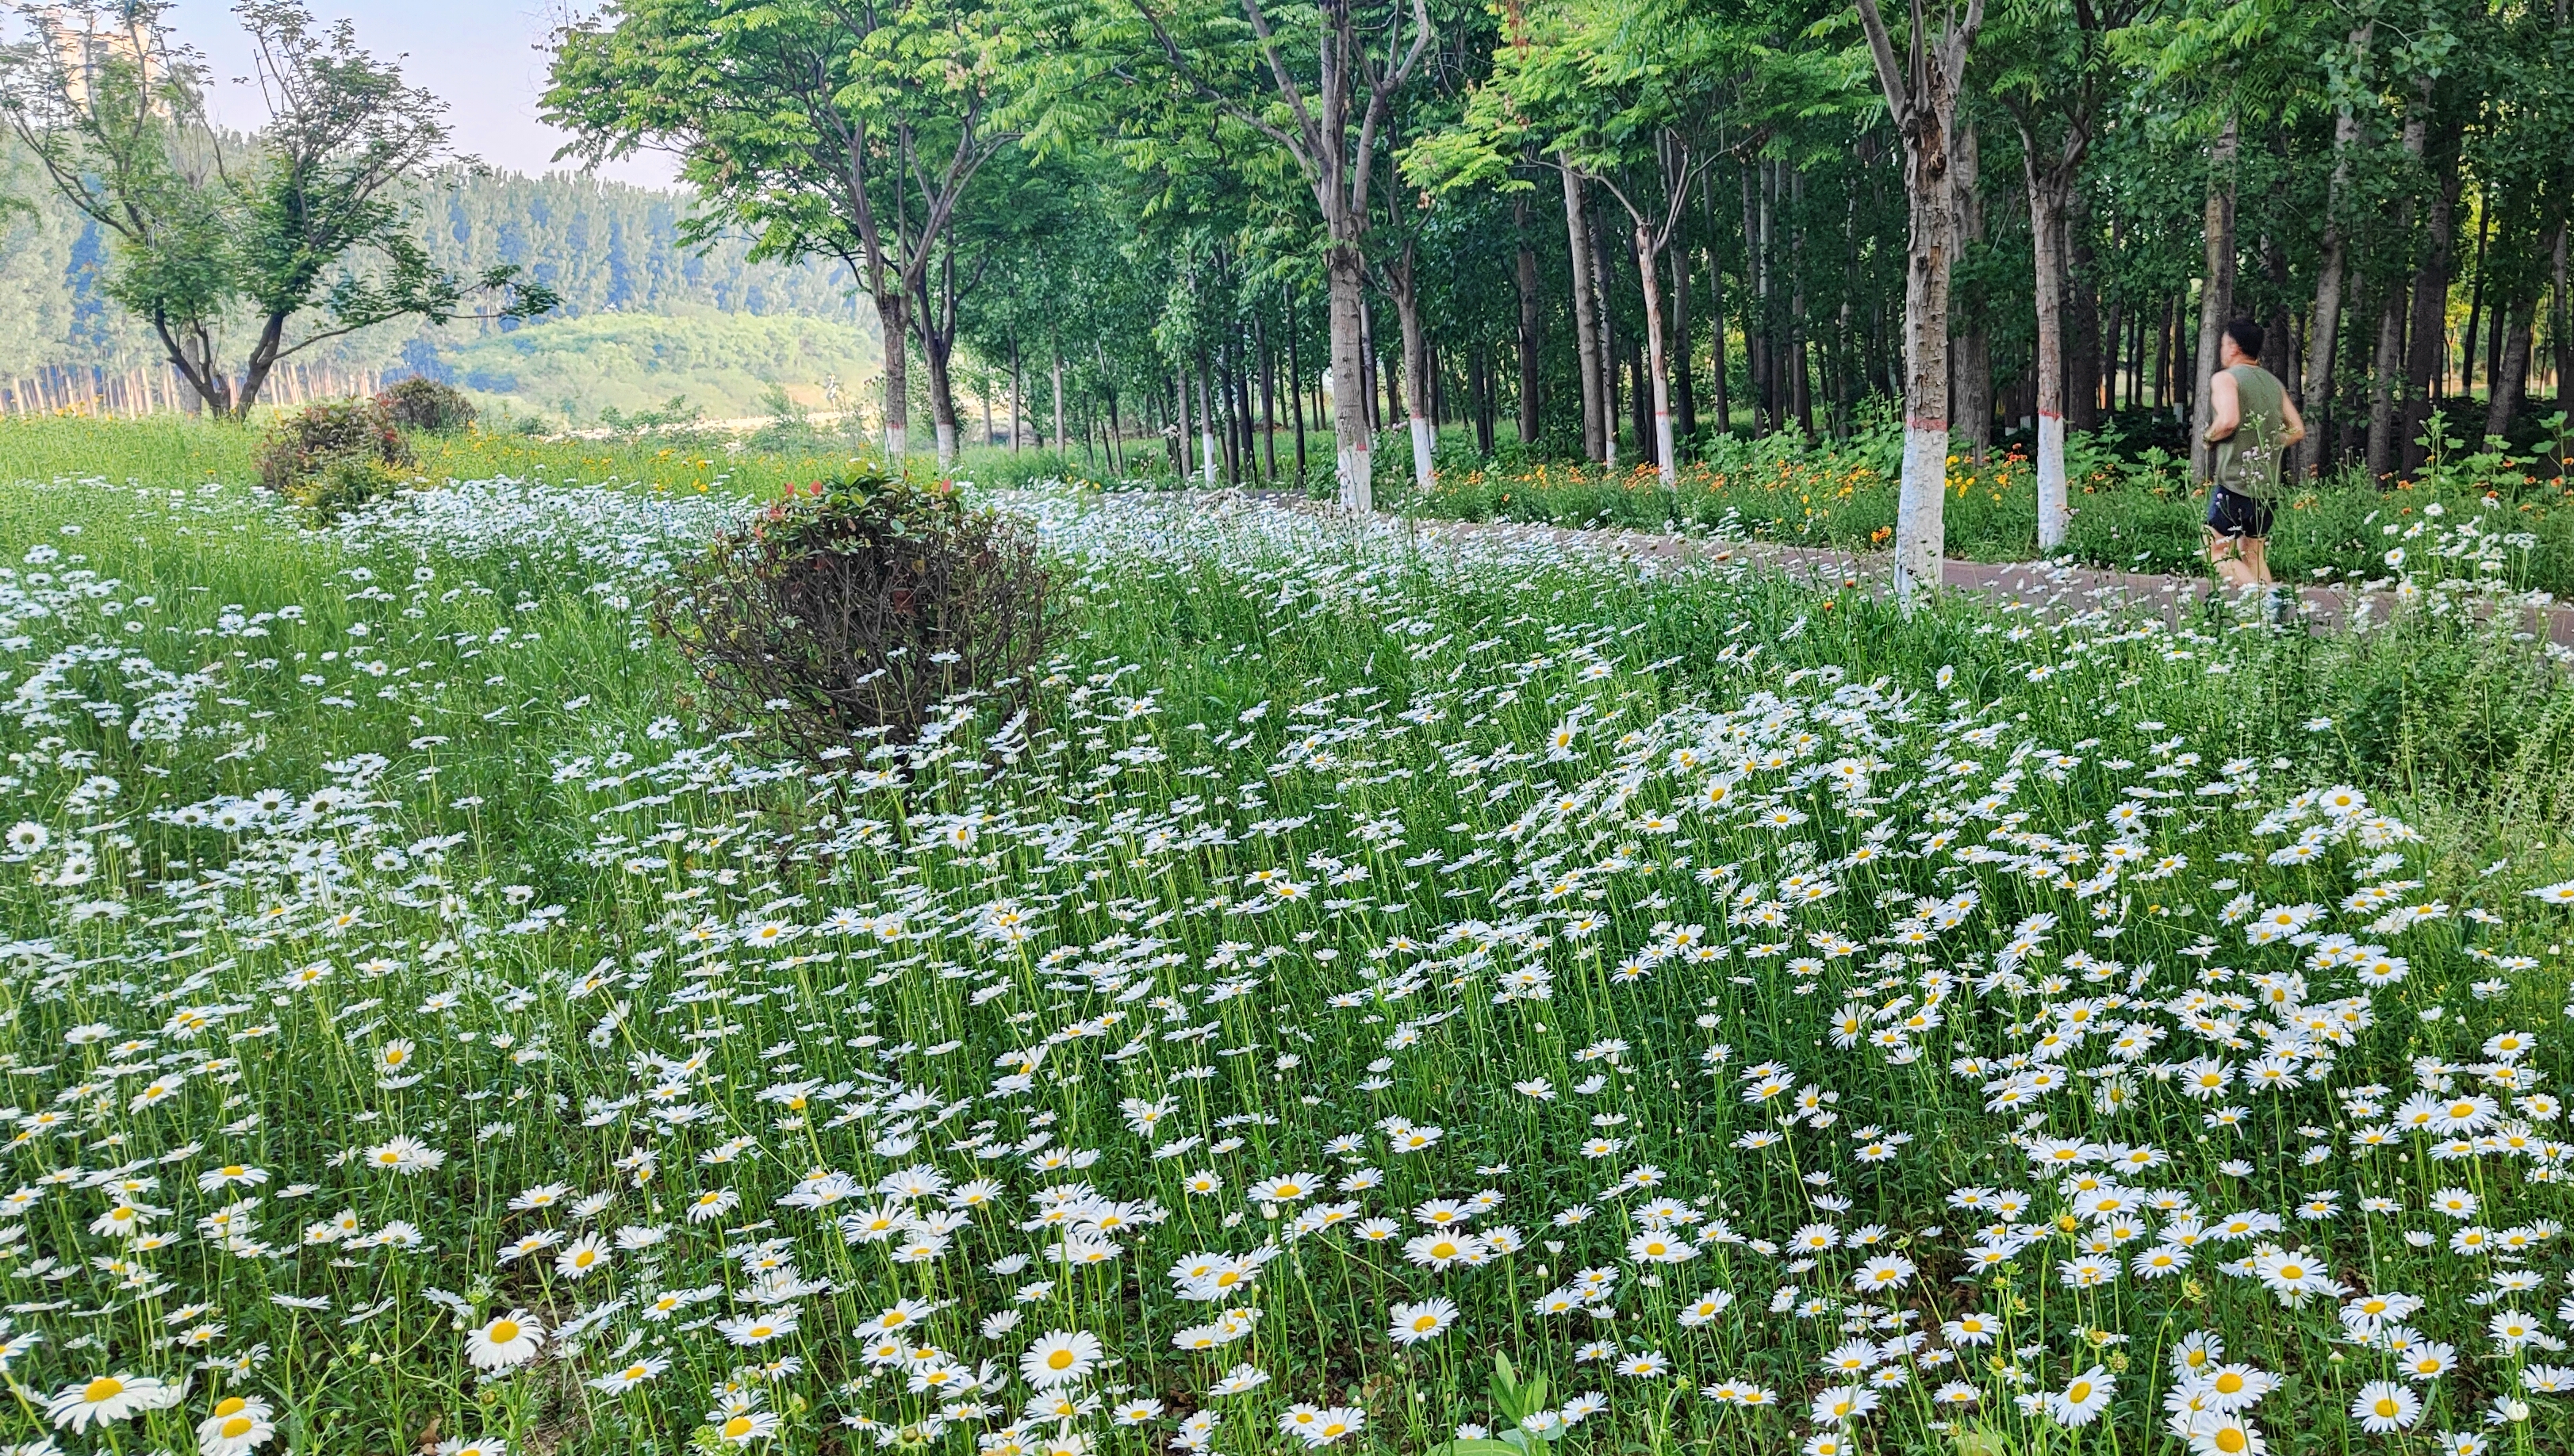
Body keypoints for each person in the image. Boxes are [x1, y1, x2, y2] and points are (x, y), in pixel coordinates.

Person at [2201, 316, 2305, 623]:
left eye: (2223, 344)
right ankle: (2271, 621)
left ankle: (2265, 599)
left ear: (2233, 347)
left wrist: (2209, 437)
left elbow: (2229, 420)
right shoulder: (2272, 383)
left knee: (2216, 550)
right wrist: (2271, 445)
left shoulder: (2226, 378)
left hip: (2235, 482)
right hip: (2266, 486)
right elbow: (2297, 430)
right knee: (2254, 554)